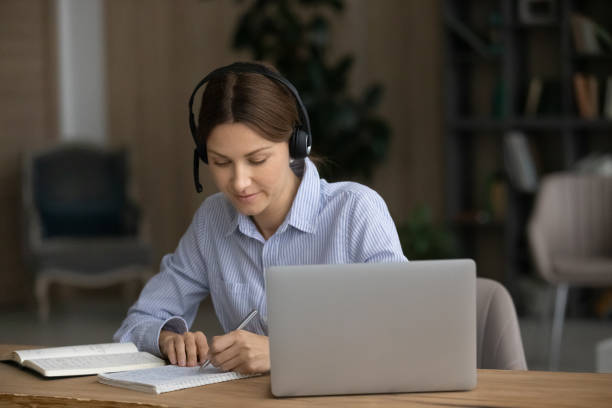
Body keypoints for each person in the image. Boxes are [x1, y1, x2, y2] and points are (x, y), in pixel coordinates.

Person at [113, 61, 407, 375]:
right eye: (221, 162)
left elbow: (403, 332)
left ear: (296, 145)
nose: (239, 182)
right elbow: (136, 324)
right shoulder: (212, 221)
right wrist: (166, 339)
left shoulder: (356, 211)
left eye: (257, 159)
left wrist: (286, 353)